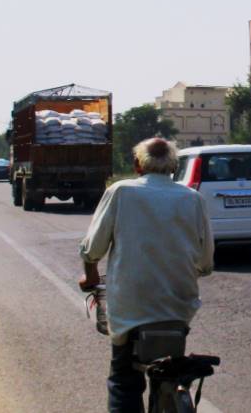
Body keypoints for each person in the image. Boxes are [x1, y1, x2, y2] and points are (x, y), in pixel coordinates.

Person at [78, 137, 214, 413]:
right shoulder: (193, 198)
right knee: (171, 369)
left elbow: (92, 249)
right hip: (178, 307)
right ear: (174, 166)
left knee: (123, 380)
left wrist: (90, 275)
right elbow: (206, 262)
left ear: (137, 165)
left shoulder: (121, 191)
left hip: (131, 307)